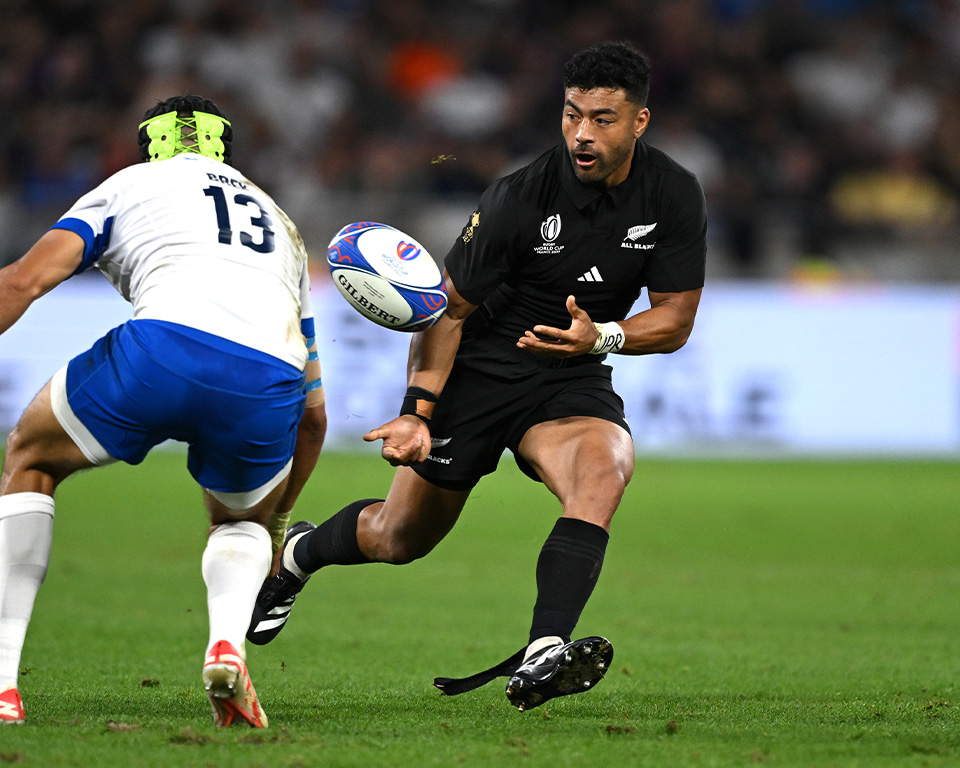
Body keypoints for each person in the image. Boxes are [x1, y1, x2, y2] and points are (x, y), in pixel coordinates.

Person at [249, 39, 706, 711]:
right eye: (572, 114)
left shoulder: (673, 193)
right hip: (478, 372)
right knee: (397, 539)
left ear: (639, 122)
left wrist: (601, 336)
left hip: (569, 373)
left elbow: (674, 319)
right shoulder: (519, 198)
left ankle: (546, 648)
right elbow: (449, 311)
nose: (582, 133)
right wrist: (418, 411)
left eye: (602, 118)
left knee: (605, 468)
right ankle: (300, 556)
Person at [0, 95, 326, 728]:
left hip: (165, 349)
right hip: (266, 377)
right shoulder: (282, 226)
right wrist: (276, 519)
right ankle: (226, 646)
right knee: (239, 522)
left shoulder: (130, 183)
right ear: (227, 153)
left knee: (31, 456)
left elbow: (24, 282)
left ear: (149, 143)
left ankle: (2, 682)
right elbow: (314, 415)